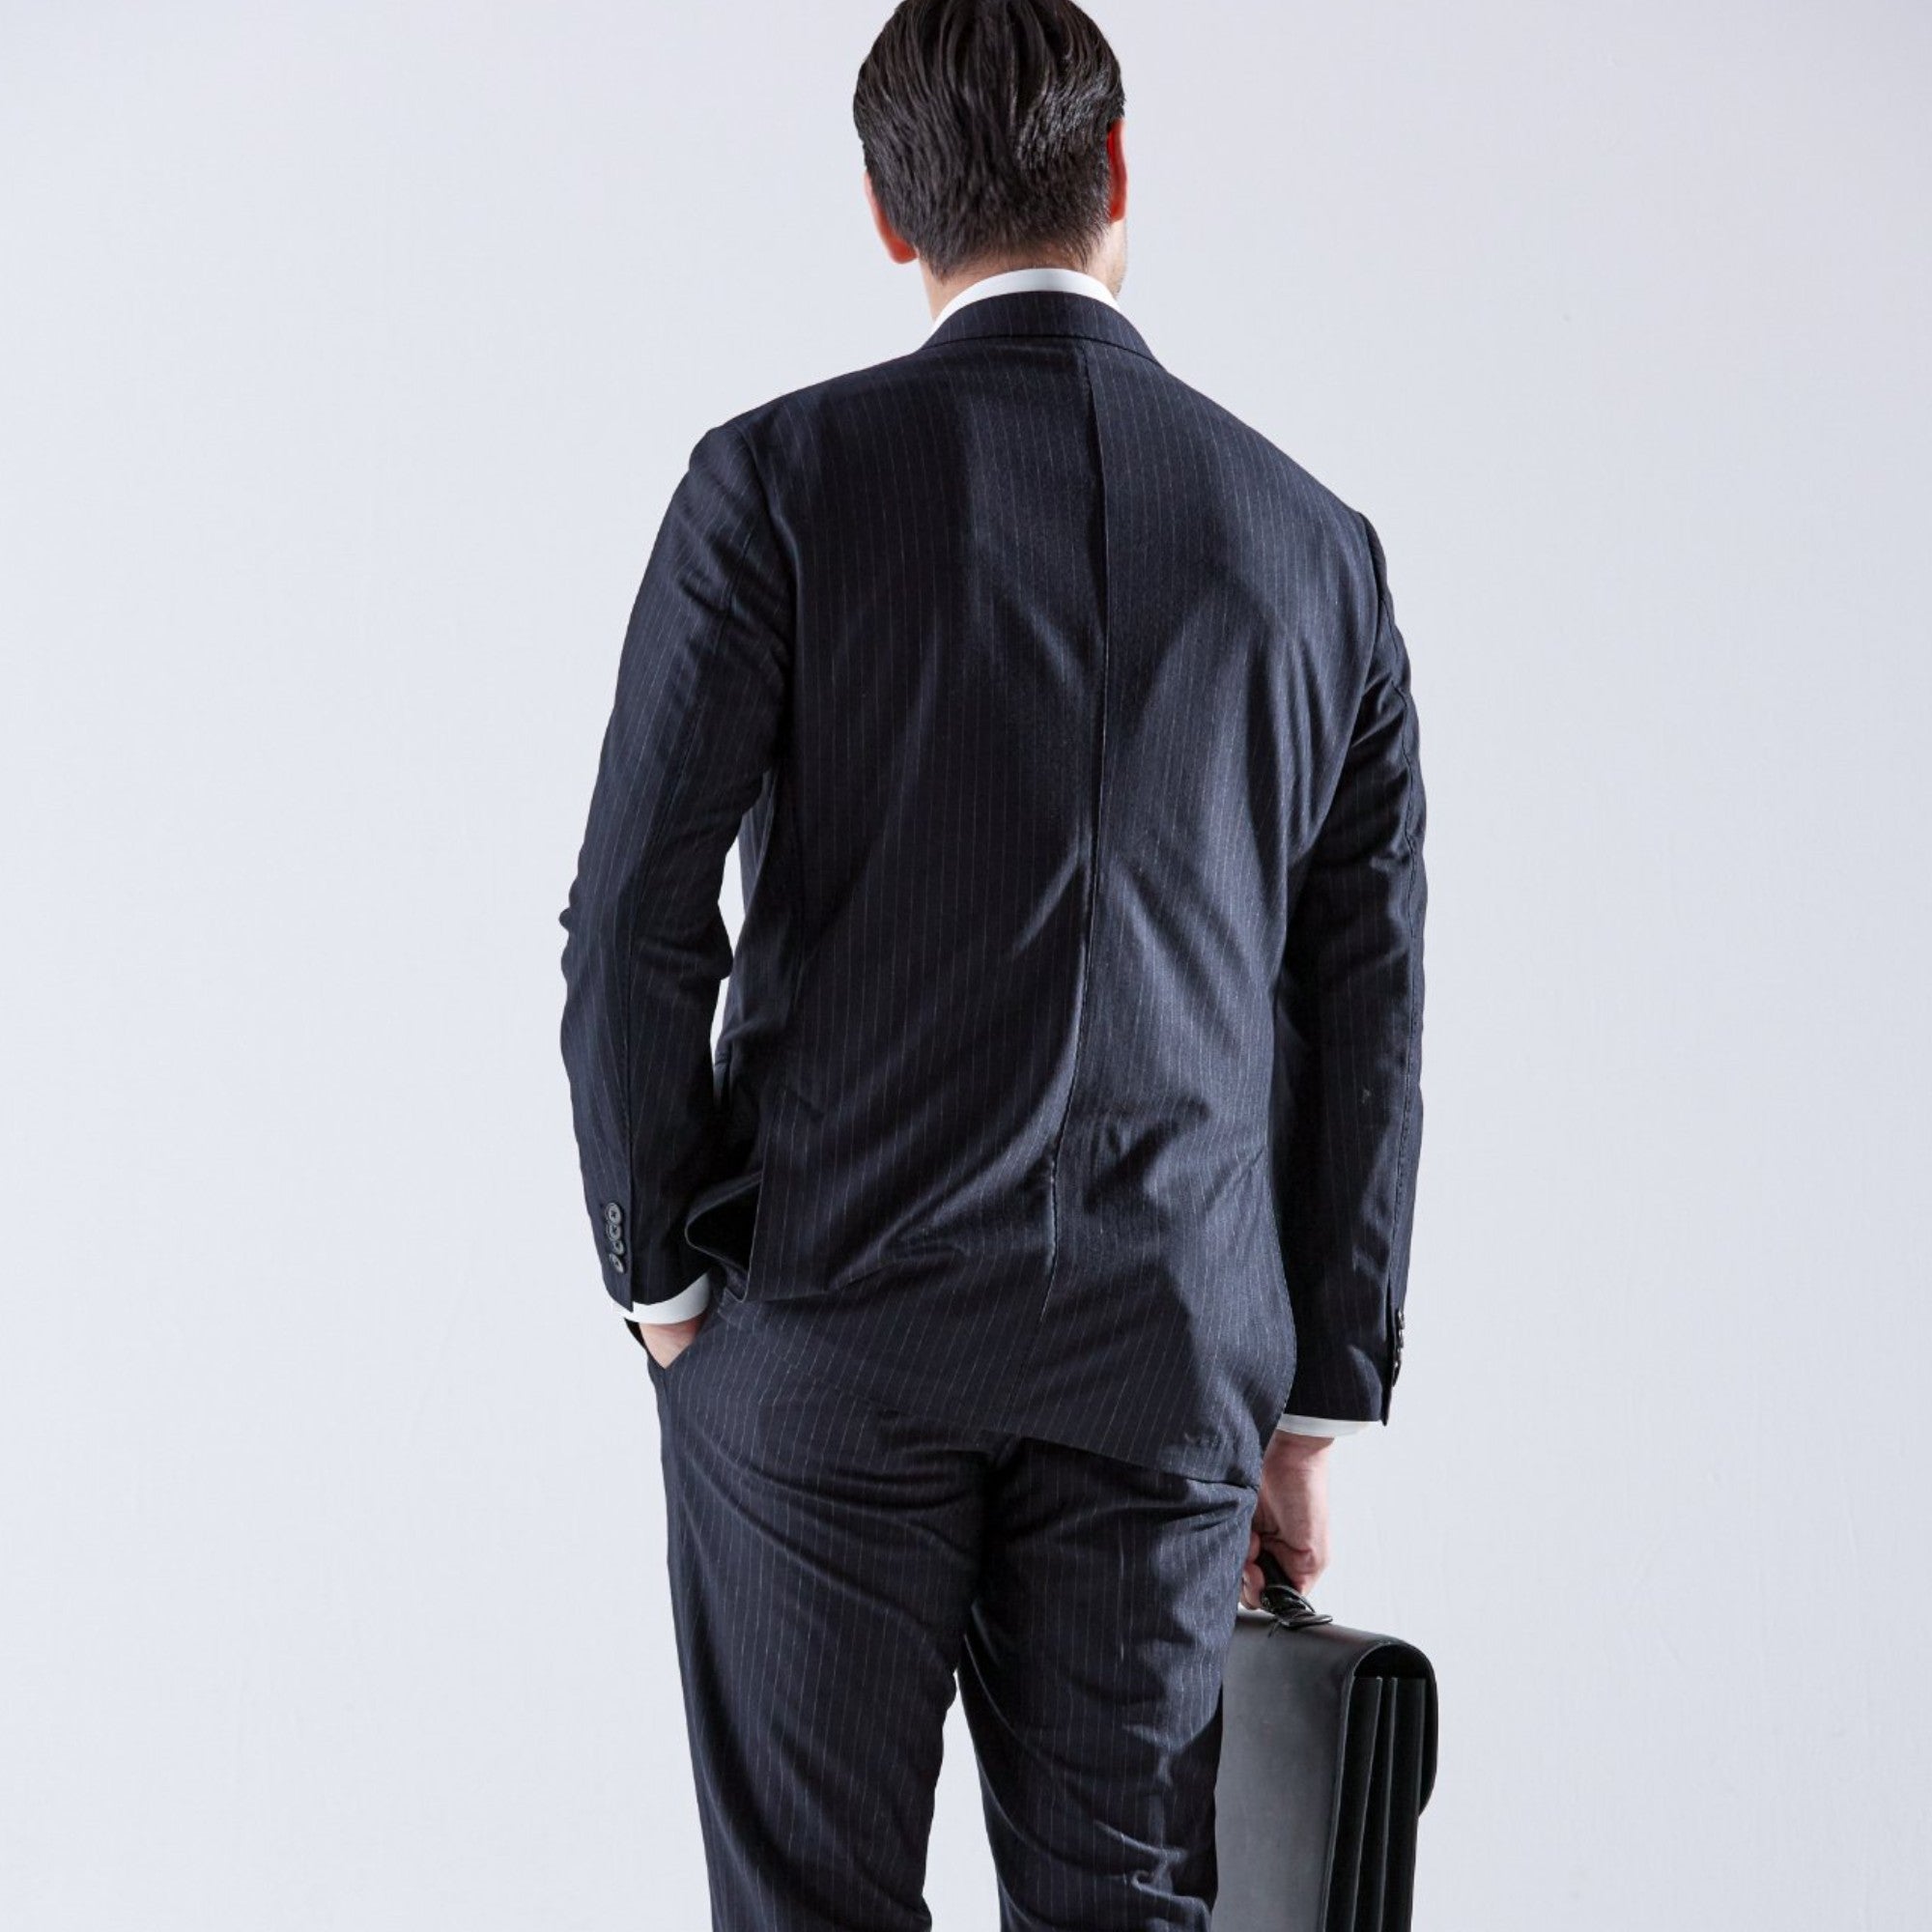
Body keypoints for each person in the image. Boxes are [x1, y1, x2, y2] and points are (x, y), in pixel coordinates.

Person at [556, 2, 1427, 1924]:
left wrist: (664, 1283)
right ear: (1117, 174)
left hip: (825, 1332)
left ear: (888, 214)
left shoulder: (775, 483)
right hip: (1165, 1356)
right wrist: (1311, 1399)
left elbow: (629, 918)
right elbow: (1361, 1006)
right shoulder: (1316, 550)